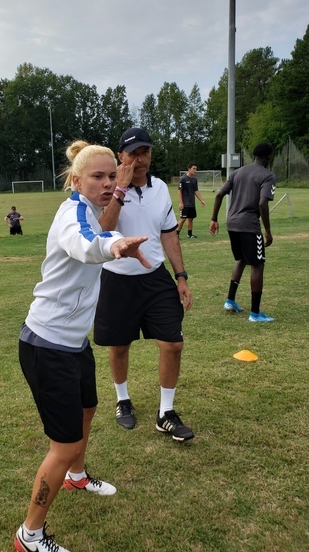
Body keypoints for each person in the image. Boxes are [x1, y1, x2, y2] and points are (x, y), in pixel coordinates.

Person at [14, 140, 151, 552]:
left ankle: (76, 477)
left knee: (88, 408)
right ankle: (29, 535)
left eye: (111, 175)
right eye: (97, 177)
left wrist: (113, 238)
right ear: (76, 181)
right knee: (65, 444)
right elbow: (85, 243)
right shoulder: (72, 213)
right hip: (47, 345)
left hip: (74, 343)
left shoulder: (91, 210)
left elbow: (99, 231)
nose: (108, 183)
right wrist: (114, 245)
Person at [94, 127, 194, 441]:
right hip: (116, 278)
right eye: (133, 154)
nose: (140, 160)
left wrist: (181, 276)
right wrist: (120, 189)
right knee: (119, 346)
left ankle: (166, 412)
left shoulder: (160, 188)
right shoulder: (107, 189)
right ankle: (123, 400)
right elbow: (102, 230)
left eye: (145, 152)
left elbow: (169, 234)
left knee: (173, 344)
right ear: (120, 156)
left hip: (154, 277)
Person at [209, 142, 276, 323]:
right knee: (258, 265)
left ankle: (230, 301)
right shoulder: (267, 175)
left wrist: (214, 219)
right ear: (268, 157)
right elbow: (262, 203)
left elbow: (219, 195)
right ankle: (255, 313)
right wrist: (268, 230)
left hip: (232, 223)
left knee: (241, 259)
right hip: (249, 225)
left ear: (254, 155)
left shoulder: (237, 172)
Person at [176, 162, 206, 238]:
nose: (195, 170)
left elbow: (196, 191)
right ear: (189, 169)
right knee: (183, 219)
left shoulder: (194, 180)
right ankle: (176, 234)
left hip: (192, 203)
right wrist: (181, 202)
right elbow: (179, 191)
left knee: (191, 218)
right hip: (185, 203)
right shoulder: (183, 179)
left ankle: (189, 234)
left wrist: (201, 200)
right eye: (194, 168)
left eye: (196, 169)